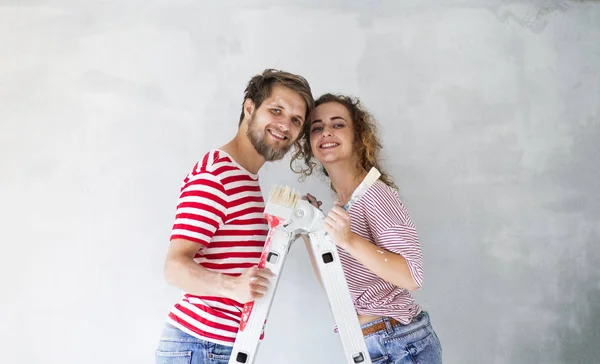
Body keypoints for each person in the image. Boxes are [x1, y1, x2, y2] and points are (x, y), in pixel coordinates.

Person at [156, 69, 314, 364]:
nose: (285, 125)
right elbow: (174, 267)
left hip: (222, 348)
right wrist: (231, 287)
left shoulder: (245, 178)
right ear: (250, 108)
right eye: (276, 110)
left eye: (296, 120)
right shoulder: (215, 175)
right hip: (201, 347)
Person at [290, 93, 443, 363]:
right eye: (317, 127)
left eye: (338, 124)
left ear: (358, 136)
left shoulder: (374, 194)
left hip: (398, 343)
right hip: (367, 344)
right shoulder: (345, 204)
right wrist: (310, 234)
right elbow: (335, 283)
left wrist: (348, 240)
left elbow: (411, 276)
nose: (326, 131)